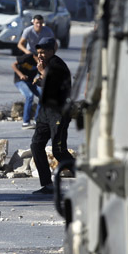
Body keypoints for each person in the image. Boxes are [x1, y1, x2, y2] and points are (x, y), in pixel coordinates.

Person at [30, 37, 73, 195]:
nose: (40, 55)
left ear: (51, 51)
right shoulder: (47, 64)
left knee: (59, 151)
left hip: (59, 113)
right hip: (45, 112)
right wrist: (39, 79)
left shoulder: (57, 65)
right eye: (38, 52)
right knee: (36, 145)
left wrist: (42, 73)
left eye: (43, 52)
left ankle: (85, 179)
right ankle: (47, 185)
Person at [11, 53, 42, 129]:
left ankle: (36, 121)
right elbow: (13, 65)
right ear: (35, 56)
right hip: (20, 81)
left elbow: (42, 75)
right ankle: (26, 122)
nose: (40, 61)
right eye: (39, 59)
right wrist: (21, 74)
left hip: (31, 82)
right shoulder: (28, 57)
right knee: (29, 96)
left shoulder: (41, 64)